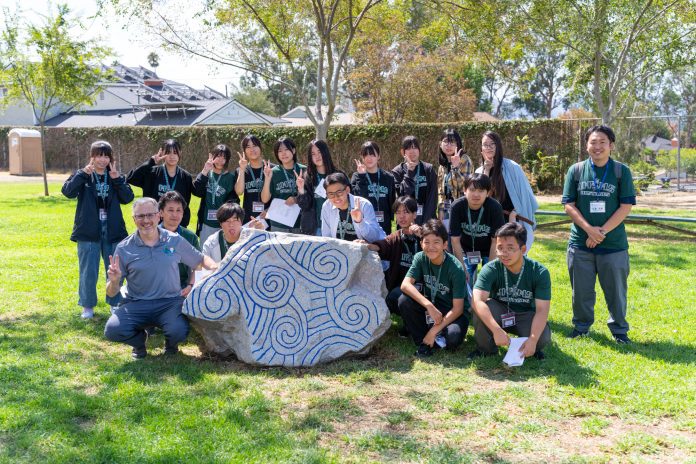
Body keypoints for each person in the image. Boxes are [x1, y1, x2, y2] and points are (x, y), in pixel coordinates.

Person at [104, 198, 219, 359]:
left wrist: (215, 267)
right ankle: (139, 342)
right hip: (137, 303)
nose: (146, 220)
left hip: (169, 302)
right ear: (134, 219)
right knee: (112, 330)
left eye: (150, 215)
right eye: (140, 216)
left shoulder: (174, 239)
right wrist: (115, 281)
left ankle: (171, 344)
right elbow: (111, 293)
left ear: (158, 216)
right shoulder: (124, 248)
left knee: (179, 331)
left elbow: (200, 259)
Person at [562, 125, 635, 344]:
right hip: (580, 243)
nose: (597, 146)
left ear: (611, 145)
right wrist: (589, 230)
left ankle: (619, 331)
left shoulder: (622, 172)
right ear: (586, 145)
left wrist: (600, 232)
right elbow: (569, 205)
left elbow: (625, 206)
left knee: (616, 291)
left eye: (602, 142)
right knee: (581, 291)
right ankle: (581, 328)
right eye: (593, 142)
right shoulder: (575, 171)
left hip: (613, 245)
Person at [61, 140, 134, 319]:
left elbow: (127, 198)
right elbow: (68, 192)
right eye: (98, 155)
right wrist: (82, 175)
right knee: (88, 270)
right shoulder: (83, 174)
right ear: (92, 157)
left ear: (111, 158)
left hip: (112, 229)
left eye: (106, 156)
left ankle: (114, 302)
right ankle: (87, 306)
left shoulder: (116, 175)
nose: (102, 160)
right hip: (89, 230)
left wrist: (117, 179)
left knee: (115, 270)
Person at [470, 222, 551, 360]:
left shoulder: (539, 272)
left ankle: (530, 346)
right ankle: (486, 349)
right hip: (500, 311)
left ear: (523, 249)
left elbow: (542, 310)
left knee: (541, 338)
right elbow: (476, 300)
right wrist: (496, 330)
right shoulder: (491, 268)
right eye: (500, 248)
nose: (504, 253)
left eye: (510, 248)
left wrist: (532, 339)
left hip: (525, 314)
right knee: (480, 308)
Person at [398, 219, 469, 357]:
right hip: (433, 307)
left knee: (453, 338)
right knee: (403, 300)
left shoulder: (456, 268)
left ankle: (431, 334)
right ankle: (423, 342)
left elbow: (458, 308)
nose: (431, 247)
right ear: (421, 243)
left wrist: (433, 331)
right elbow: (405, 285)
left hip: (452, 312)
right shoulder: (420, 258)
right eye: (426, 242)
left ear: (445, 244)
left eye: (436, 242)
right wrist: (429, 305)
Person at [476, 131, 538, 250]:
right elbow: (480, 197)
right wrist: (487, 170)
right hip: (489, 222)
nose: (488, 147)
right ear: (481, 148)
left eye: (492, 144)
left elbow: (525, 194)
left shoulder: (512, 167)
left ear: (498, 146)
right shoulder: (479, 171)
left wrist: (515, 215)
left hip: (512, 220)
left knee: (513, 255)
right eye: (485, 144)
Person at [360, 196, 421, 315]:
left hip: (423, 286)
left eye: (406, 212)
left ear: (414, 214)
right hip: (402, 287)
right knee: (394, 297)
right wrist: (366, 245)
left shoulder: (424, 235)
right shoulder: (396, 237)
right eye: (398, 213)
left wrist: (422, 235)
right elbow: (383, 245)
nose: (401, 216)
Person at [449, 173, 506, 286]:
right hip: (466, 249)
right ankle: (467, 303)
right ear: (465, 190)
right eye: (472, 190)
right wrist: (462, 268)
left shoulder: (495, 207)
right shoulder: (457, 206)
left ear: (488, 193)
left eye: (481, 191)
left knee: (491, 281)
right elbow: (454, 240)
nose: (476, 194)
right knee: (462, 279)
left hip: (489, 249)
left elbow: (496, 241)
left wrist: (490, 270)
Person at [127, 139, 195, 227]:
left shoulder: (186, 177)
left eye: (175, 152)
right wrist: (151, 162)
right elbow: (131, 178)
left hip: (176, 225)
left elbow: (185, 203)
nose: (172, 156)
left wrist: (183, 222)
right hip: (153, 224)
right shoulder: (152, 173)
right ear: (162, 153)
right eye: (168, 153)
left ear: (180, 153)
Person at [192, 144, 239, 244]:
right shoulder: (207, 174)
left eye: (224, 157)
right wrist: (205, 170)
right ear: (212, 156)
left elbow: (234, 200)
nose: (220, 160)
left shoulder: (230, 177)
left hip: (222, 224)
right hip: (206, 223)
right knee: (205, 252)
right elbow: (197, 192)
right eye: (218, 156)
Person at [320, 172, 386, 242]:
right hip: (341, 250)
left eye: (339, 192)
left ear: (347, 190)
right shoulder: (326, 206)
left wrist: (360, 222)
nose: (336, 197)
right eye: (331, 194)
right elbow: (326, 237)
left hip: (366, 249)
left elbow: (374, 237)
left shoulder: (364, 205)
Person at [158, 191, 200, 298]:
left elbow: (198, 266)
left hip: (183, 287)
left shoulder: (190, 237)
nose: (175, 214)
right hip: (156, 288)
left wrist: (190, 285)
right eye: (170, 210)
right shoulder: (151, 235)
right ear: (161, 213)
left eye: (179, 210)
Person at [261, 136, 306, 232]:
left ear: (293, 151)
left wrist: (296, 199)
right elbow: (265, 199)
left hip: (300, 222)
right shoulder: (274, 172)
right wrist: (267, 179)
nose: (283, 153)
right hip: (278, 223)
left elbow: (310, 195)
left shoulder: (304, 170)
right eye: (280, 151)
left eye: (286, 149)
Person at [351, 141, 396, 235]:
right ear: (362, 157)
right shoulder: (357, 177)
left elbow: (392, 201)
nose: (369, 158)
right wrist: (362, 177)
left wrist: (391, 218)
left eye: (372, 154)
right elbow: (357, 199)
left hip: (385, 223)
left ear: (378, 156)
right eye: (365, 155)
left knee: (384, 248)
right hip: (364, 224)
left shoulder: (388, 177)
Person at [392, 136, 437, 225]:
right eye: (408, 148)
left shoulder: (428, 169)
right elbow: (402, 196)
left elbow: (432, 198)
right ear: (403, 152)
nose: (412, 151)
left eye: (415, 148)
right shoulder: (397, 171)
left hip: (426, 219)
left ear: (419, 150)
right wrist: (409, 173)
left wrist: (426, 223)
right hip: (405, 222)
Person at [297, 139, 338, 235]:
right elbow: (304, 206)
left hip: (336, 226)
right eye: (313, 154)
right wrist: (301, 189)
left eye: (319, 152)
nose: (317, 156)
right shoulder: (306, 177)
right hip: (315, 229)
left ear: (325, 153)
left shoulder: (337, 175)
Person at [437, 129, 473, 229]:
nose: (448, 146)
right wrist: (440, 211)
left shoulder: (465, 159)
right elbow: (440, 191)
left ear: (458, 144)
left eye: (452, 142)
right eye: (445, 142)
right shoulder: (442, 165)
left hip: (461, 209)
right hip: (445, 211)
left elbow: (464, 187)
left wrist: (456, 167)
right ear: (440, 144)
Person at [234, 135, 272, 224]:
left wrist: (269, 210)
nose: (252, 149)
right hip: (248, 218)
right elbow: (239, 192)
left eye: (255, 146)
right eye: (248, 147)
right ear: (244, 151)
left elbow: (278, 196)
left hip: (268, 216)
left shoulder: (271, 169)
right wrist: (242, 169)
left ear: (260, 148)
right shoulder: (241, 170)